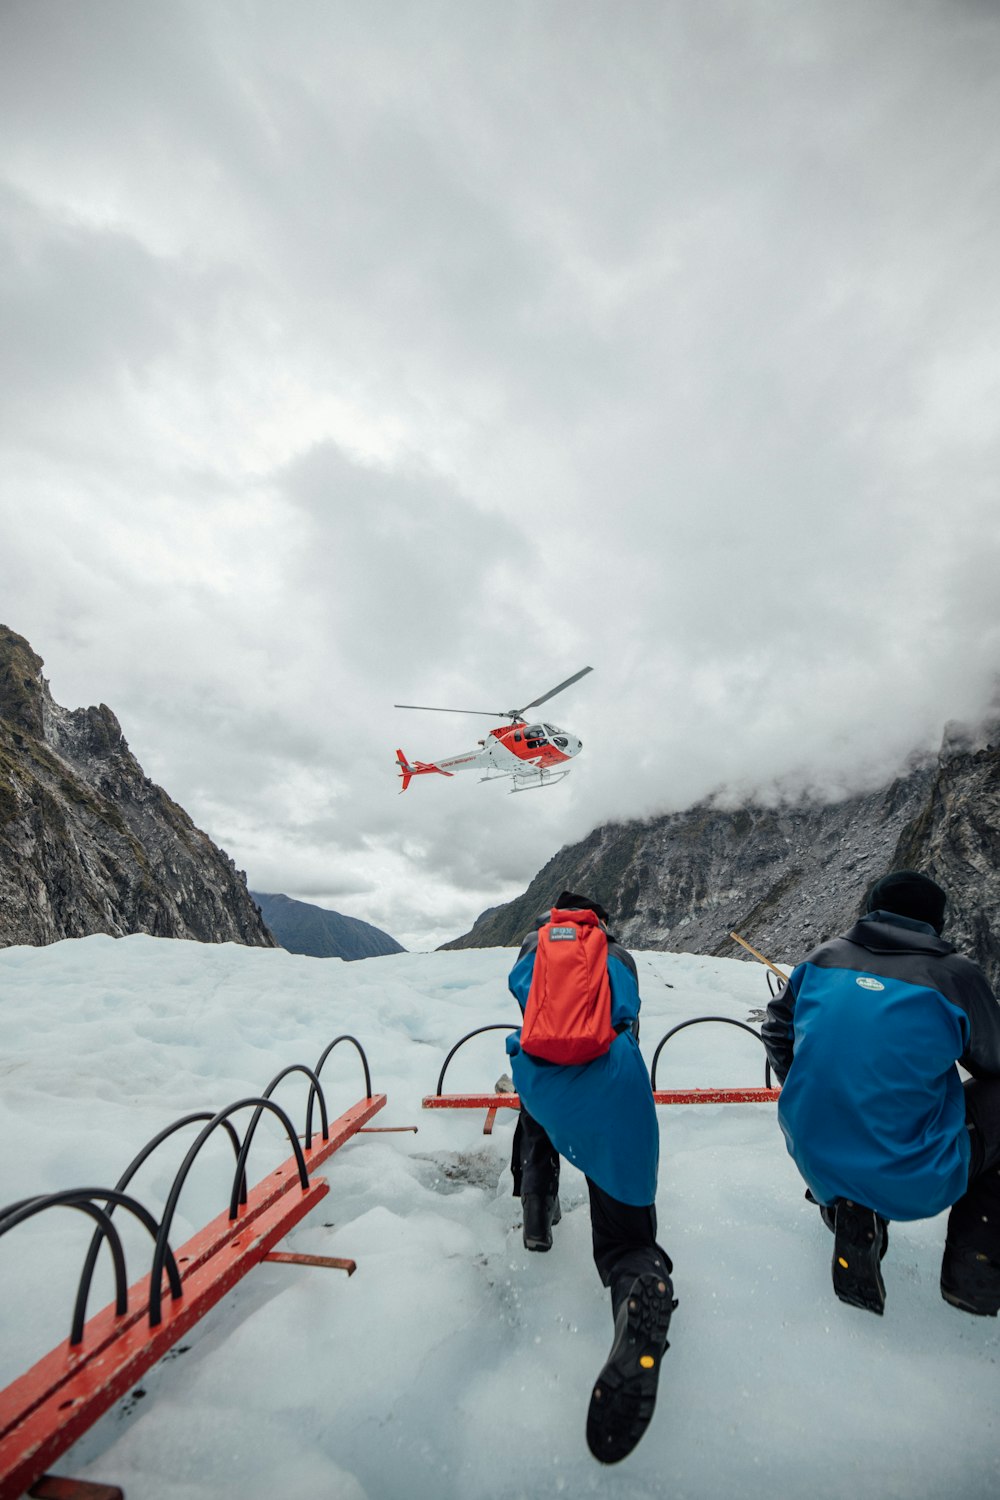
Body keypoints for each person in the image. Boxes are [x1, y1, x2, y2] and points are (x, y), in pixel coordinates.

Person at [762, 869, 1000, 1317]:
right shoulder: (955, 977)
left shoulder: (821, 959)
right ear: (936, 922)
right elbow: (995, 1063)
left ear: (871, 909)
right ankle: (975, 1275)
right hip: (912, 1174)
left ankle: (849, 1210)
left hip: (813, 1156)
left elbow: (777, 1031)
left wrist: (815, 1085)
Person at [505, 891, 675, 1463]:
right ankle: (635, 1295)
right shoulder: (617, 954)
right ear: (600, 921)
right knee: (627, 1232)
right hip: (612, 1080)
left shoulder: (533, 946)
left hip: (542, 1083)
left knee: (536, 1118)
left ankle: (536, 1214)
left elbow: (525, 1002)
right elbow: (627, 1018)